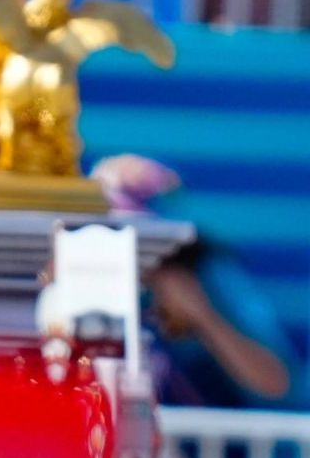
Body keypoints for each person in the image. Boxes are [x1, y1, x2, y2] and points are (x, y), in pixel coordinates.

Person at [91, 155, 301, 409]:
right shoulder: (90, 283)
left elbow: (277, 385)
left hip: (214, 442)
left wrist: (202, 316)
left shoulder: (210, 275)